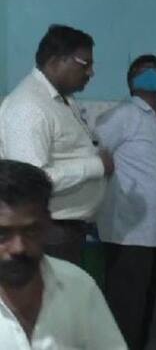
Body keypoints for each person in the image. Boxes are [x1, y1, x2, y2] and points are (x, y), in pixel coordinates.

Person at [0, 25, 113, 266]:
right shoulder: (28, 107)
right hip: (48, 231)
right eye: (85, 64)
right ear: (55, 61)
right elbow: (30, 182)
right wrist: (96, 166)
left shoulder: (61, 99)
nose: (91, 72)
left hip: (63, 230)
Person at [93, 54, 156, 349]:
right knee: (125, 310)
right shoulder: (123, 115)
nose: (151, 74)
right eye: (144, 70)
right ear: (131, 81)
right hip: (128, 233)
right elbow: (95, 154)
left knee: (144, 308)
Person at [0, 159, 127, 349]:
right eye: (2, 234)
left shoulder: (78, 286)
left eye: (30, 231)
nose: (18, 247)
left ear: (47, 224)